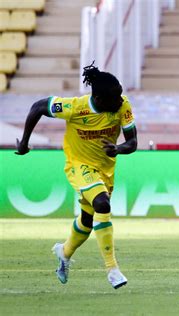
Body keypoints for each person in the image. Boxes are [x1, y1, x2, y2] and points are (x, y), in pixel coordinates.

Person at [15, 62, 137, 289]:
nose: (121, 101)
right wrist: (24, 143)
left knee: (88, 221)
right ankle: (112, 269)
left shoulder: (122, 107)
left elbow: (133, 143)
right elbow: (38, 107)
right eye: (116, 98)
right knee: (102, 203)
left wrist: (118, 148)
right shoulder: (75, 107)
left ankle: (64, 252)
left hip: (104, 169)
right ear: (99, 99)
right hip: (78, 165)